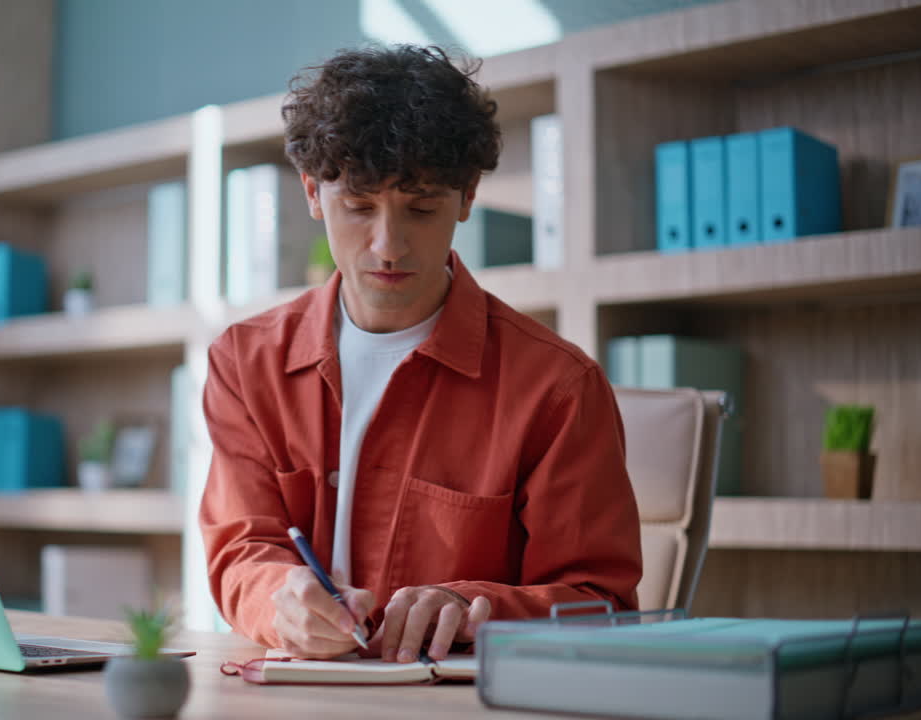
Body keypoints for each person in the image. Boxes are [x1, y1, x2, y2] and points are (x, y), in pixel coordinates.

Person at [199, 45, 641, 664]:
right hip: (297, 697)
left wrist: (473, 609)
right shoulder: (245, 364)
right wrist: (280, 598)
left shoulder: (557, 387)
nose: (387, 245)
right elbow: (242, 552)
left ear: (466, 197)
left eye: (422, 207)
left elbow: (601, 604)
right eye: (357, 206)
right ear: (311, 193)